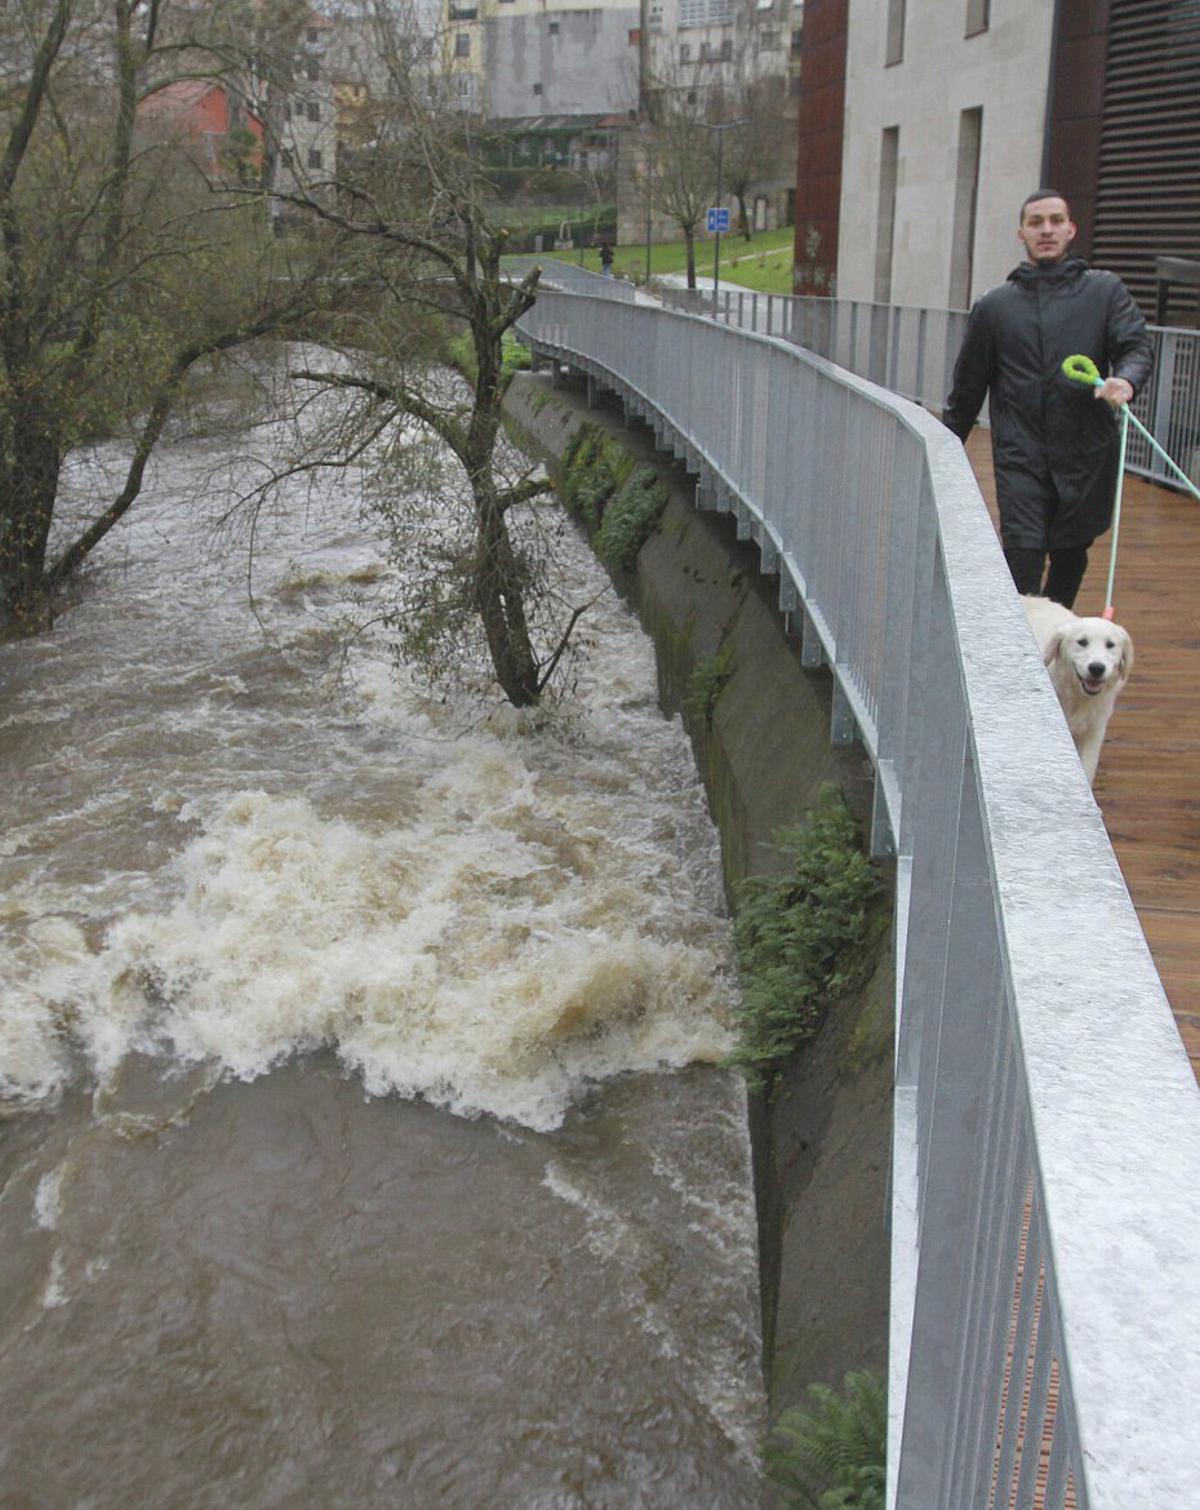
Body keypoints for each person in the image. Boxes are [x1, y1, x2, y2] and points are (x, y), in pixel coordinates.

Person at [943, 190, 1152, 608]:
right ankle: (1019, 649)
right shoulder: (995, 307)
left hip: (1086, 452)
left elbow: (1135, 347)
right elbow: (968, 387)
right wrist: (945, 445)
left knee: (1072, 555)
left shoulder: (1104, 292)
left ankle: (1053, 640)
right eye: (1036, 222)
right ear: (1021, 233)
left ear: (1071, 230)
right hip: (1021, 454)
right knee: (1022, 554)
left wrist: (1125, 381)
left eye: (1056, 221)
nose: (1046, 230)